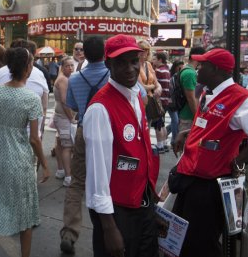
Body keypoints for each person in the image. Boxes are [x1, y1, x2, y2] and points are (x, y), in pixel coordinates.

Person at [172, 48, 248, 257]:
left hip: (209, 186)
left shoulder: (239, 97)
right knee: (181, 239)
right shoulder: (211, 92)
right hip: (191, 178)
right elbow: (212, 125)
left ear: (216, 69)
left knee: (200, 244)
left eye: (202, 65)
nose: (197, 69)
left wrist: (242, 157)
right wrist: (188, 132)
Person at [84, 34, 160, 257]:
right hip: (117, 211)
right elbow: (98, 176)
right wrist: (109, 228)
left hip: (142, 202)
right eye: (121, 62)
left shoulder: (136, 95)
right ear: (108, 64)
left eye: (134, 61)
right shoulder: (100, 108)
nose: (130, 69)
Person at [0, 47, 50, 257]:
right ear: (27, 68)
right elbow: (34, 138)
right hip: (21, 160)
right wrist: (45, 164)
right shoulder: (31, 99)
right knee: (26, 214)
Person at [60, 36, 109, 254]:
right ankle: (111, 229)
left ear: (84, 54)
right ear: (105, 53)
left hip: (83, 130)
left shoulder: (75, 79)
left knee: (77, 182)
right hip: (108, 133)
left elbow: (71, 105)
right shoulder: (112, 75)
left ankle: (69, 234)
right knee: (110, 179)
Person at [0, 39, 49, 138]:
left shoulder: (0, 73)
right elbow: (44, 108)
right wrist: (40, 131)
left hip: (2, 137)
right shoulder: (39, 74)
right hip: (30, 137)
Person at [53, 56, 75, 187]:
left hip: (60, 116)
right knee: (67, 146)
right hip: (63, 117)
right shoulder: (63, 79)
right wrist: (71, 117)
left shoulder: (62, 78)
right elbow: (65, 101)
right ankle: (68, 176)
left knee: (60, 143)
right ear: (62, 67)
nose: (71, 68)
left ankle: (61, 170)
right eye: (68, 66)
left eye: (72, 65)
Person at [178, 47, 205, 131]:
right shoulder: (189, 73)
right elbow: (191, 98)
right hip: (188, 116)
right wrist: (197, 117)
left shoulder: (187, 70)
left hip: (187, 114)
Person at [152, 51, 171, 152]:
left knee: (158, 124)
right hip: (166, 101)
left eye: (154, 59)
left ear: (160, 60)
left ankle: (160, 146)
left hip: (159, 101)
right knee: (162, 123)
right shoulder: (167, 70)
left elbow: (154, 84)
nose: (152, 60)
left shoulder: (158, 71)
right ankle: (164, 144)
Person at [167, 60, 185, 147]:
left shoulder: (178, 76)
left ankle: (166, 131)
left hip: (177, 102)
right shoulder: (172, 76)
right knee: (175, 120)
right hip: (171, 102)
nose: (181, 69)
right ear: (176, 67)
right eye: (180, 67)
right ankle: (173, 140)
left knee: (176, 120)